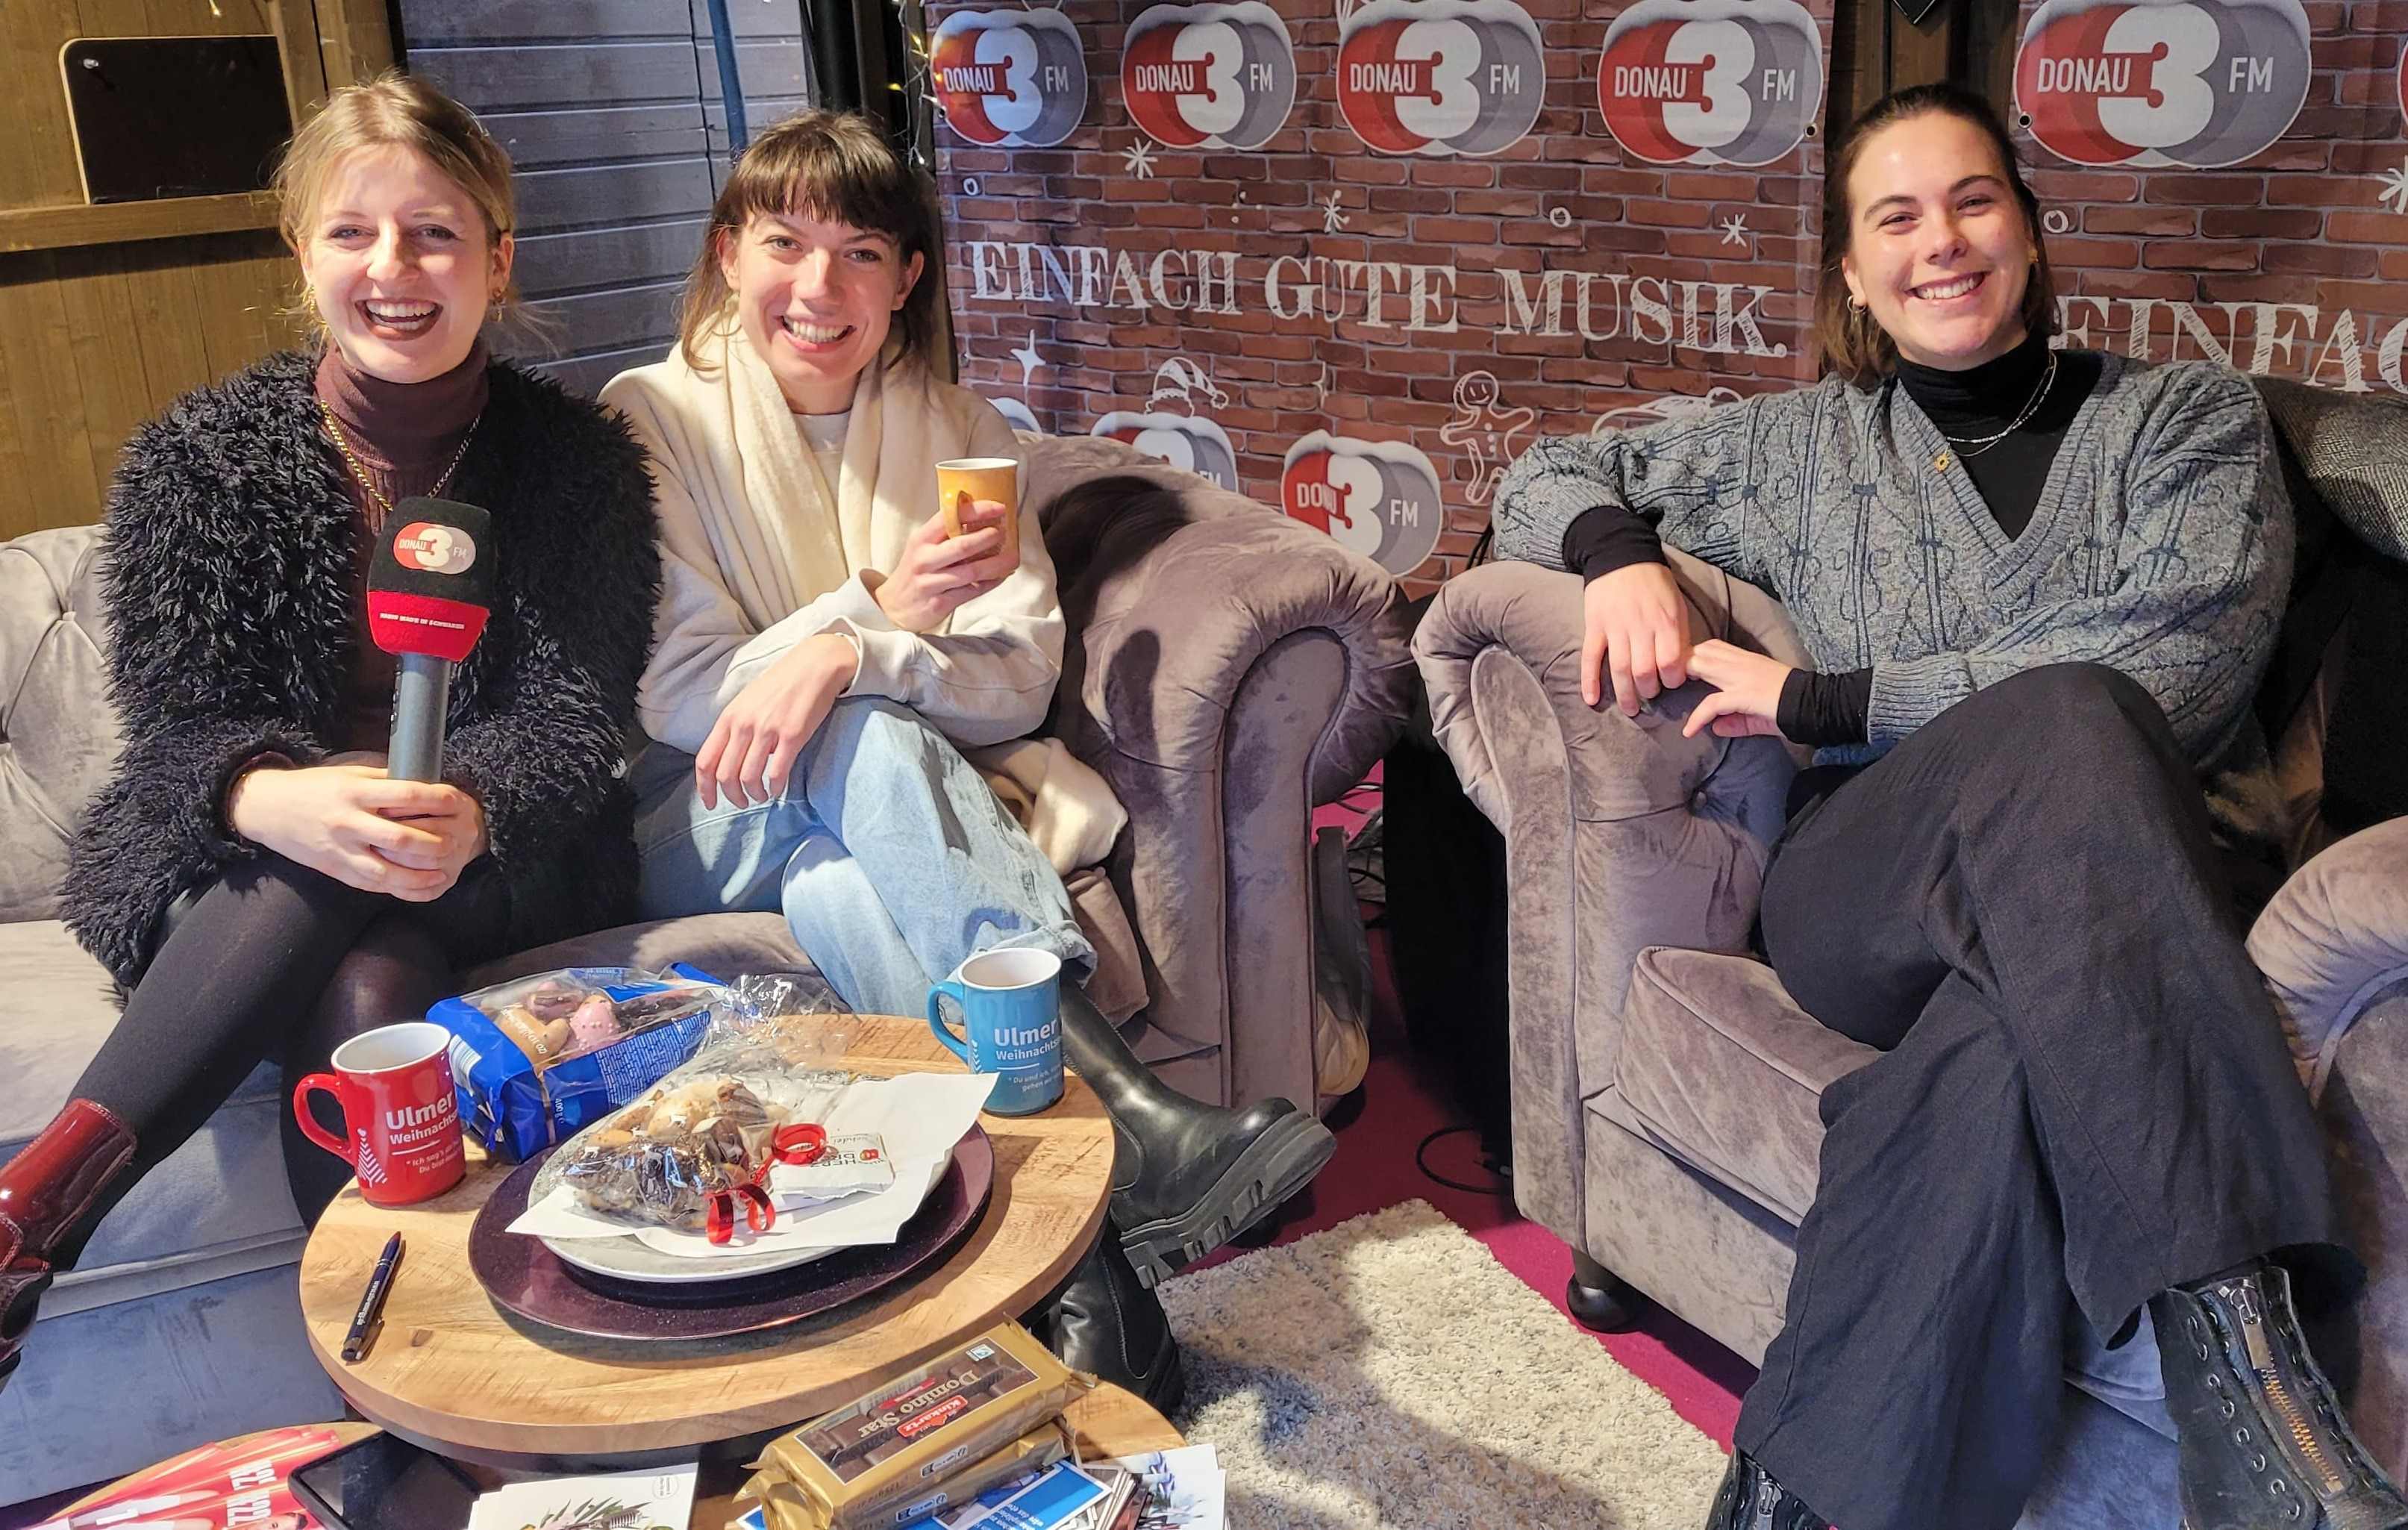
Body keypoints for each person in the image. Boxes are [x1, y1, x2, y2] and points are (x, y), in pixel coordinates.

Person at [1493, 84, 2408, 1530]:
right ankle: (2255, 1381)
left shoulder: (2187, 416)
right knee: (2060, 709)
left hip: (2136, 892)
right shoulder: (1795, 446)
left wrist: (1826, 697)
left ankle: (1794, 1498)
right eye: (1897, 217)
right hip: (1872, 884)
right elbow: (1550, 470)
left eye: (1975, 202)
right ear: (1854, 275)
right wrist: (1618, 556)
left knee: (1994, 1045)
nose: (1943, 243)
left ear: (2031, 235)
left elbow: (2176, 664)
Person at [598, 110, 1334, 1408]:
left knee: (843, 884)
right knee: (864, 726)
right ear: (727, 257)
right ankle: (1128, 1120)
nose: (819, 287)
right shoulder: (648, 420)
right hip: (697, 810)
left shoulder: (958, 432)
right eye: (784, 245)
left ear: (907, 279)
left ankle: (1091, 1274)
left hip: (866, 824)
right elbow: (681, 694)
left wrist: (854, 655)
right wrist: (871, 621)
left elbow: (1018, 680)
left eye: (860, 253)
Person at [0, 75, 660, 1390]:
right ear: (303, 254)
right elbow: (181, 726)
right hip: (251, 858)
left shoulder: (578, 461)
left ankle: (34, 1214)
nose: (393, 268)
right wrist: (265, 795)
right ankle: (424, 1390)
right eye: (354, 232)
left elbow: (574, 714)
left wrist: (472, 804)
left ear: (496, 258)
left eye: (434, 234)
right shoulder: (201, 460)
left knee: (368, 929)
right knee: (361, 977)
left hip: (494, 856)